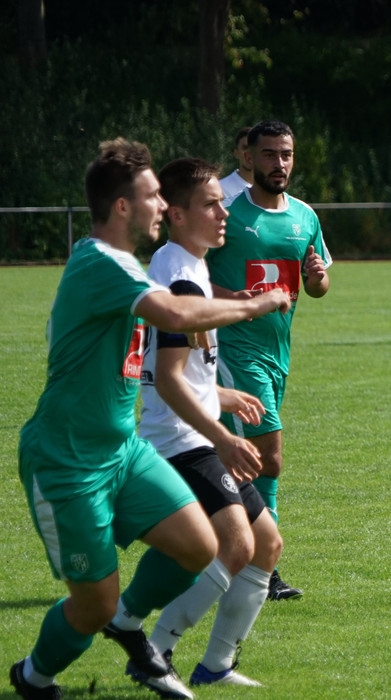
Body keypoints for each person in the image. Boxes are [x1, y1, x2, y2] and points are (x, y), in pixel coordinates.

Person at [9, 139, 290, 700]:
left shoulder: (128, 267)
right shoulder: (102, 264)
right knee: (95, 604)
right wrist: (256, 304)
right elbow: (176, 316)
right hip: (69, 459)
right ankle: (34, 676)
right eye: (153, 196)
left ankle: (137, 633)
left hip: (123, 451)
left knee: (201, 545)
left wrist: (218, 397)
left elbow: (152, 359)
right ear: (122, 206)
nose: (162, 205)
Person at [122, 157, 284, 696]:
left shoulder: (185, 266)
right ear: (176, 214)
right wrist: (224, 436)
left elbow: (176, 374)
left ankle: (215, 665)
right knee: (235, 544)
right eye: (211, 204)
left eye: (221, 202)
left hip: (194, 432)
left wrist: (222, 395)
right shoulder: (179, 277)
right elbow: (169, 382)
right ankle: (155, 652)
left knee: (266, 545)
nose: (223, 213)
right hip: (180, 442)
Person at [206, 119, 332, 601]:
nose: (279, 163)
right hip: (235, 352)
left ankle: (230, 551)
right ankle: (261, 566)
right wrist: (236, 300)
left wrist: (317, 278)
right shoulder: (228, 214)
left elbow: (317, 287)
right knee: (269, 458)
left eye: (286, 154)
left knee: (247, 460)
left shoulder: (304, 216)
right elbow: (189, 278)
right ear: (248, 158)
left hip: (278, 355)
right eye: (269, 154)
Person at [219, 126, 253, 206]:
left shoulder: (271, 188)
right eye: (245, 148)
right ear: (236, 153)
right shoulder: (220, 189)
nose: (249, 153)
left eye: (253, 148)